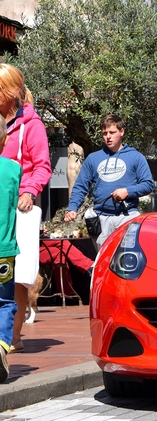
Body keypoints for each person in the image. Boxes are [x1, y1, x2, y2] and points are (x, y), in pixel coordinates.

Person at [0, 63, 52, 354]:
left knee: (17, 274)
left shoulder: (32, 125)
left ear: (10, 92)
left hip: (19, 207)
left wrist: (30, 192)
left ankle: (11, 338)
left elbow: (42, 166)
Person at [64, 114, 154, 250]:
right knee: (103, 261)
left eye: (112, 132)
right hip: (101, 219)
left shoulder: (136, 157)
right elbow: (80, 186)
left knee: (128, 261)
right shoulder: (93, 159)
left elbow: (148, 184)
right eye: (105, 133)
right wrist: (72, 208)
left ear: (121, 131)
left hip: (128, 217)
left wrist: (127, 191)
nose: (108, 137)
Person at [0, 115, 22, 381]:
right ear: (4, 140)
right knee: (5, 302)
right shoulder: (14, 169)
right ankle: (2, 345)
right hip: (4, 251)